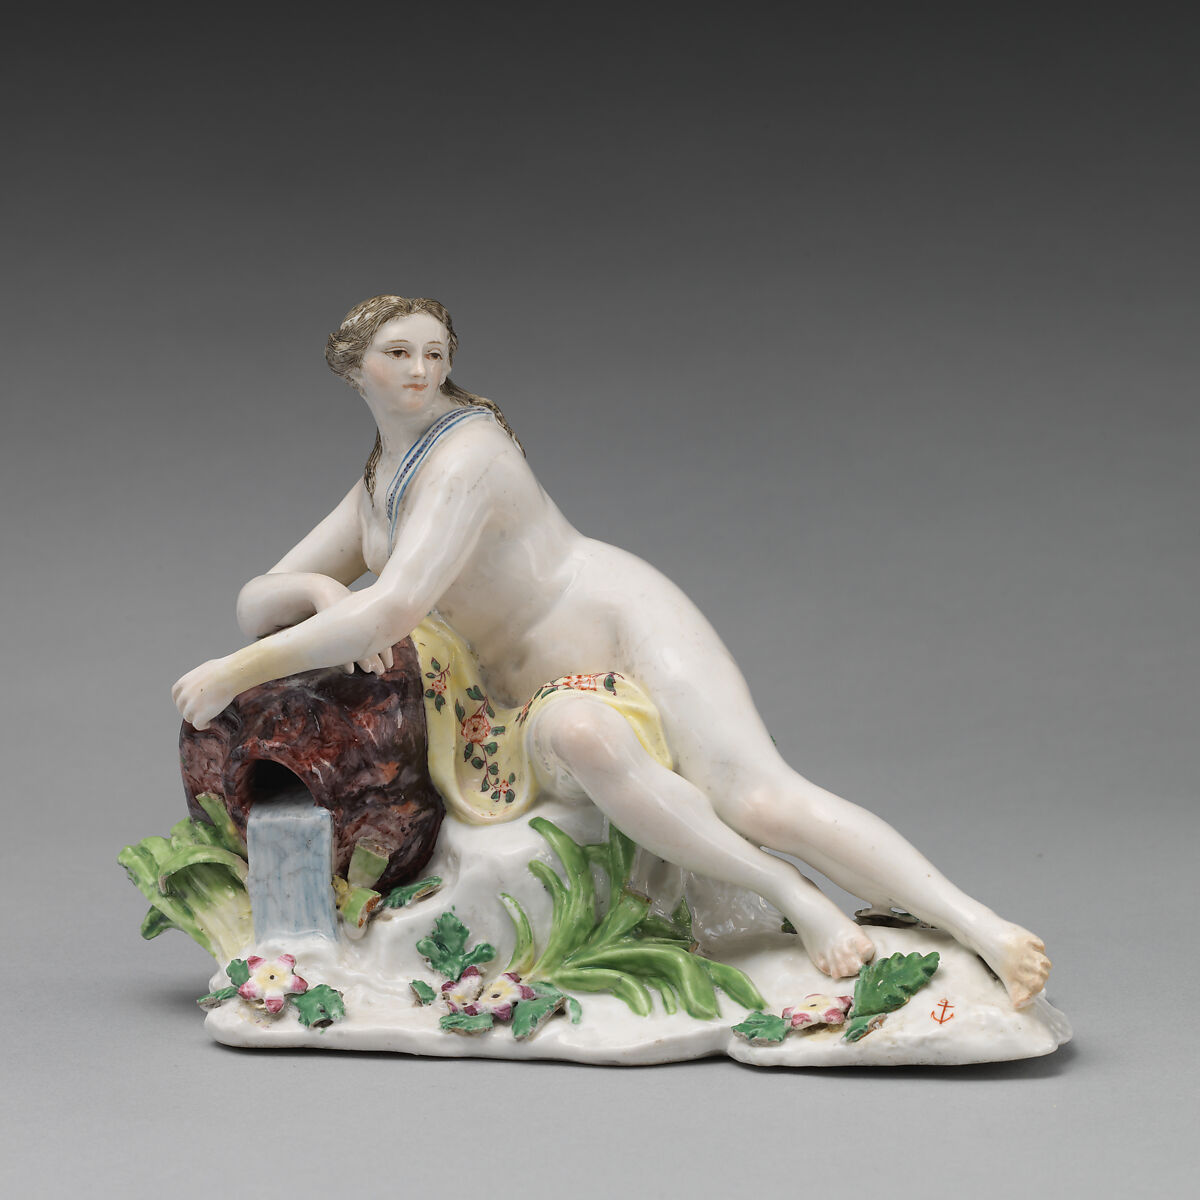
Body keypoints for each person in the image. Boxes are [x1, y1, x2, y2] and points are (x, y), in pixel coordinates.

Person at [173, 295, 1051, 1007]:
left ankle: (982, 927)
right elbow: (260, 598)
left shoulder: (468, 452)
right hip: (520, 701)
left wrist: (233, 675)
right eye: (398, 353)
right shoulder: (379, 481)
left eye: (434, 352)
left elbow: (394, 607)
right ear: (351, 366)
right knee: (589, 738)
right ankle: (791, 893)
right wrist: (321, 592)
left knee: (760, 798)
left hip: (620, 626)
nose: (420, 369)